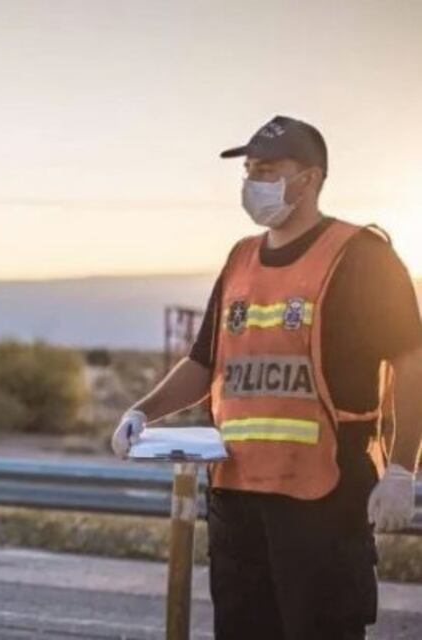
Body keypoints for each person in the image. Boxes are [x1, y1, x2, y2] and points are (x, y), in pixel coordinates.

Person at [111, 116, 422, 640]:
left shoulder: (363, 257)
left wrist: (400, 469)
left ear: (311, 178)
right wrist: (142, 412)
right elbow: (203, 363)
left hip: (324, 498)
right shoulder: (240, 260)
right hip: (236, 499)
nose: (254, 180)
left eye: (268, 168)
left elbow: (412, 362)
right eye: (250, 170)